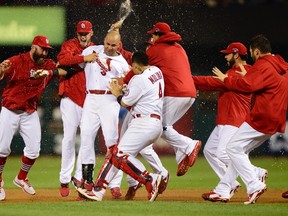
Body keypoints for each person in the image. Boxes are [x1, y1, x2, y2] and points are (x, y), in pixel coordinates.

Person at [211, 34, 288, 204]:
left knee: (232, 148)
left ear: (257, 51)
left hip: (262, 116)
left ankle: (254, 183)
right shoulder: (281, 65)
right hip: (277, 117)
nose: (252, 56)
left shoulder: (263, 65)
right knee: (239, 151)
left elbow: (248, 86)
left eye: (252, 52)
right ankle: (223, 189)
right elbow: (266, 84)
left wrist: (227, 79)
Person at [79, 51, 165, 202]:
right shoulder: (157, 71)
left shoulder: (139, 79)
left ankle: (149, 179)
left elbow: (125, 103)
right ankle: (98, 190)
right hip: (155, 124)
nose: (132, 70)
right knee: (120, 156)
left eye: (134, 67)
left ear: (137, 66)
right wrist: (125, 90)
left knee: (118, 155)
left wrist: (116, 93)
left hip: (143, 123)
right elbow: (140, 93)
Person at [193, 42, 268, 201]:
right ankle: (230, 184)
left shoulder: (246, 72)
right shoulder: (231, 72)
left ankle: (255, 173)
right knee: (210, 151)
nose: (225, 56)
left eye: (227, 54)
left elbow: (210, 82)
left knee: (224, 153)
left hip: (235, 120)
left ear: (236, 54)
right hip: (224, 120)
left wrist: (188, 79)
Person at [0, 35, 66, 201]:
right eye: (42, 48)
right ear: (33, 47)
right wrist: (1, 70)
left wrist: (49, 72)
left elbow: (65, 70)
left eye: (47, 50)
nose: (44, 52)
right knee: (2, 149)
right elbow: (1, 71)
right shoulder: (17, 61)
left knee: (34, 150)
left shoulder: (48, 64)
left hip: (29, 112)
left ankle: (21, 178)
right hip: (10, 110)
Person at [75, 30, 130, 198]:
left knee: (112, 144)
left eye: (114, 45)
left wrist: (124, 86)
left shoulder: (121, 62)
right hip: (90, 98)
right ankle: (87, 182)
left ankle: (114, 183)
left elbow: (127, 83)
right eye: (108, 43)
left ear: (119, 45)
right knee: (85, 139)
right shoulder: (90, 51)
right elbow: (72, 63)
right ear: (103, 41)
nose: (110, 47)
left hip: (109, 101)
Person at [146, 22, 202, 177]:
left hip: (176, 93)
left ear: (158, 35)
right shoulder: (179, 48)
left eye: (153, 35)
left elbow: (139, 68)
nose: (152, 37)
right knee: (166, 126)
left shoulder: (155, 49)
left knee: (158, 126)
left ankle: (189, 145)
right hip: (190, 93)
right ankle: (181, 156)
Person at [56, 20, 98, 198]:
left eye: (86, 33)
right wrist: (83, 58)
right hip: (70, 98)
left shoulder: (97, 49)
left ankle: (81, 179)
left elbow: (115, 51)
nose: (83, 36)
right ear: (77, 33)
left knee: (87, 141)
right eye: (80, 33)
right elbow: (63, 60)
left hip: (88, 99)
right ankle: (64, 179)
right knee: (69, 139)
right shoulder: (69, 45)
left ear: (91, 33)